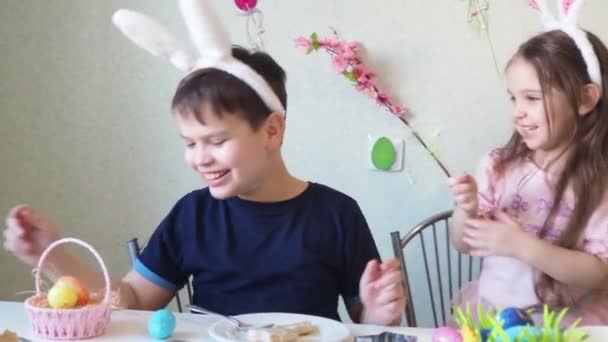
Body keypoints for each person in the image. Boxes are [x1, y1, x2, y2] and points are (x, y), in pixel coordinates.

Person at [4, 0, 404, 326]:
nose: (199, 158)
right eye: (189, 143)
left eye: (215, 140)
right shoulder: (193, 214)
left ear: (271, 131)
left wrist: (377, 312)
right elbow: (132, 301)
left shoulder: (337, 214)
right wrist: (55, 257)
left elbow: (361, 320)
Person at [448, 0, 608, 326]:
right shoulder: (498, 166)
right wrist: (464, 209)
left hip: (569, 325)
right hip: (495, 317)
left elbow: (602, 273)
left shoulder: (599, 181)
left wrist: (525, 247)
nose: (517, 111)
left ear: (585, 99)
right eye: (513, 97)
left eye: (532, 98)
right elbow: (463, 242)